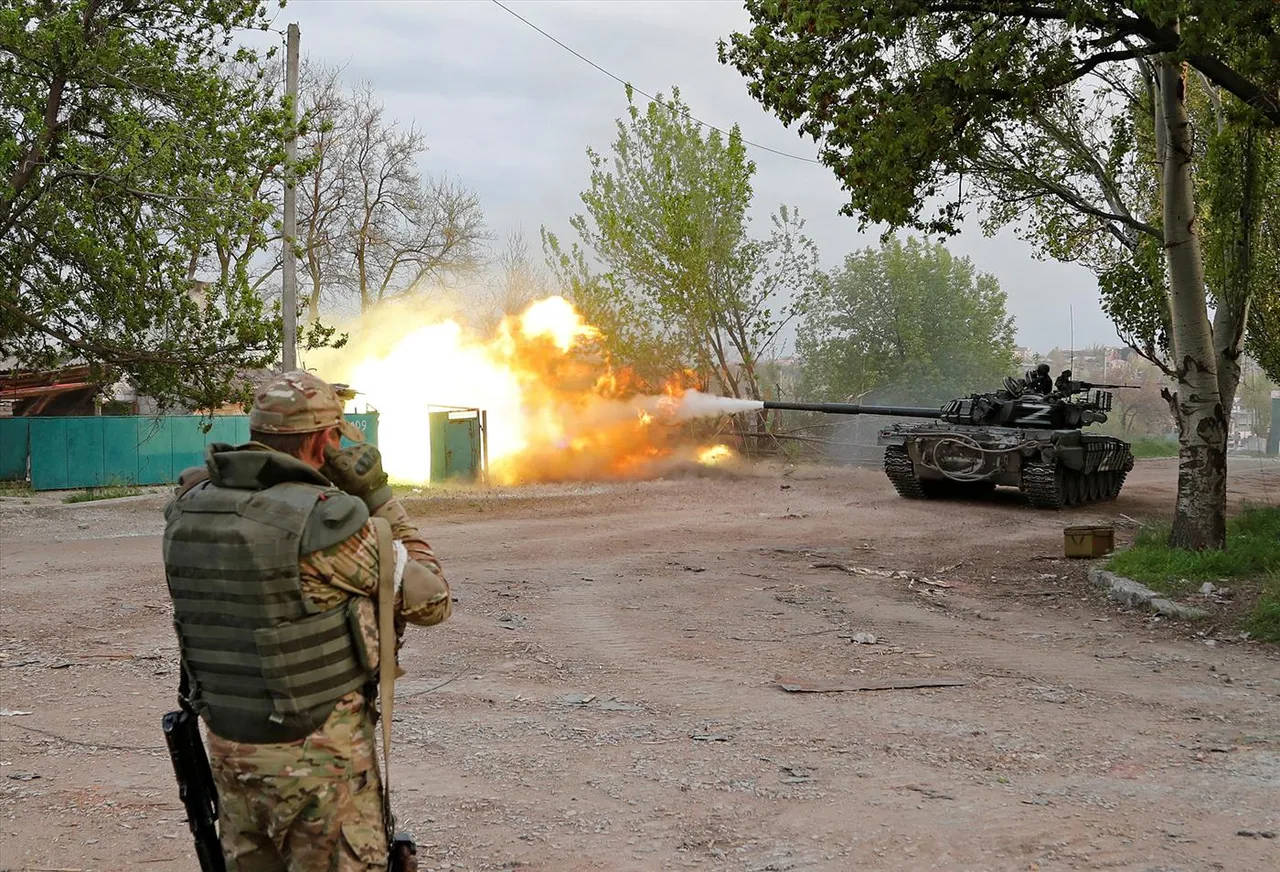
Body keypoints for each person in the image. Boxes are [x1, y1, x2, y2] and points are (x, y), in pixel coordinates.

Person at [162, 371, 451, 871]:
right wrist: (378, 496)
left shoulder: (190, 509)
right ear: (325, 439)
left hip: (231, 754)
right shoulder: (327, 525)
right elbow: (433, 598)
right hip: (321, 766)